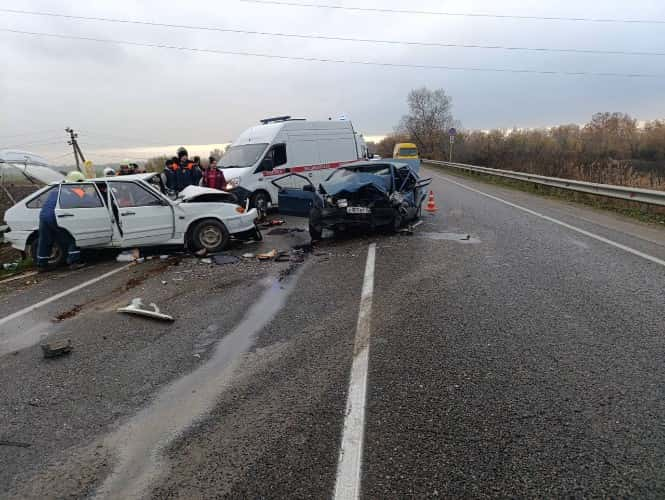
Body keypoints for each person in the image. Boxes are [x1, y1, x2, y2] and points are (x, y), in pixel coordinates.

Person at [36, 171, 86, 271]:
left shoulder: (57, 189)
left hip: (44, 215)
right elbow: (87, 200)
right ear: (77, 181)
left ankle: (42, 265)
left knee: (45, 240)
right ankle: (73, 262)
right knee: (72, 238)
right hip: (56, 216)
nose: (81, 185)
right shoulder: (76, 190)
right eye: (80, 183)